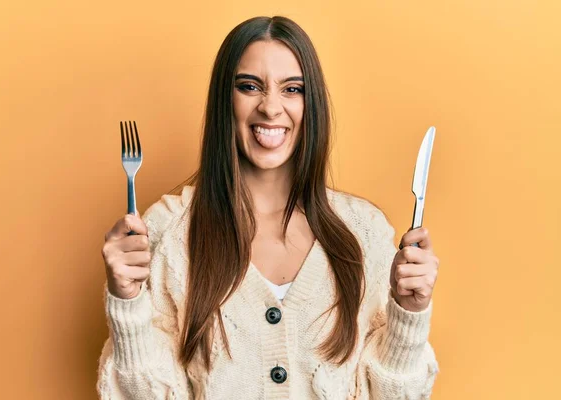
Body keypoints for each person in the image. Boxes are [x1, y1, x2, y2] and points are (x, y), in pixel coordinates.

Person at [97, 15, 440, 399]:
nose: (271, 107)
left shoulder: (364, 233)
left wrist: (408, 317)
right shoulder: (169, 229)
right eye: (249, 86)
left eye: (292, 89)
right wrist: (126, 304)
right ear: (224, 101)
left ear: (311, 104)